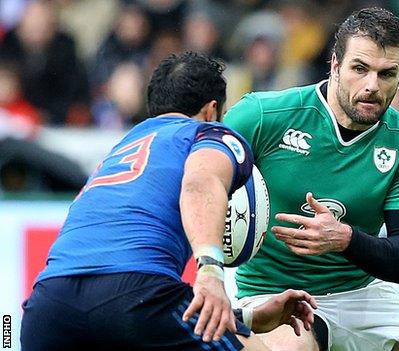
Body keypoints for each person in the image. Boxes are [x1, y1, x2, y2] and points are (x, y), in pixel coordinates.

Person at [20, 52, 317, 351]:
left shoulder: (119, 149)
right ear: (212, 109)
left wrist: (247, 316)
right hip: (137, 292)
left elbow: (104, 304)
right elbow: (200, 182)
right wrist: (211, 271)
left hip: (47, 305)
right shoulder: (209, 133)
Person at [224, 7, 399, 351]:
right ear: (335, 64)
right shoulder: (262, 116)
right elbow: (198, 178)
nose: (372, 86)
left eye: (386, 74)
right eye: (360, 69)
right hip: (271, 290)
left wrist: (344, 238)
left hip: (358, 292)